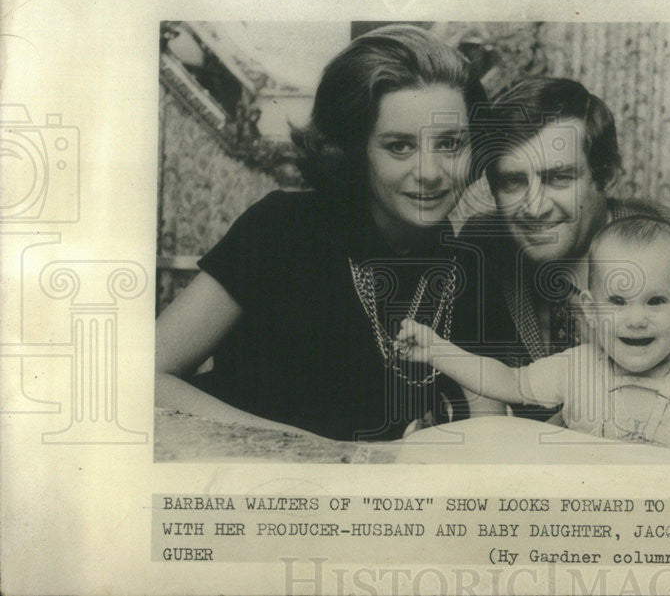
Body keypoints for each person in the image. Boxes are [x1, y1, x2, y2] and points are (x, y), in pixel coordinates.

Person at [155, 25, 493, 441]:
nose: (430, 173)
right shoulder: (282, 227)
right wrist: (302, 447)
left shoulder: (468, 267)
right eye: (399, 146)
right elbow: (148, 378)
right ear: (356, 149)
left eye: (450, 144)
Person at [457, 77, 670, 419]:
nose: (534, 207)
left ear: (607, 176)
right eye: (512, 181)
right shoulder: (483, 244)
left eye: (559, 178)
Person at [398, 216, 670, 453]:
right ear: (590, 310)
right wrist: (437, 350)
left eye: (656, 301)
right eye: (617, 302)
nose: (636, 319)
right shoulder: (576, 368)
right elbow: (507, 381)